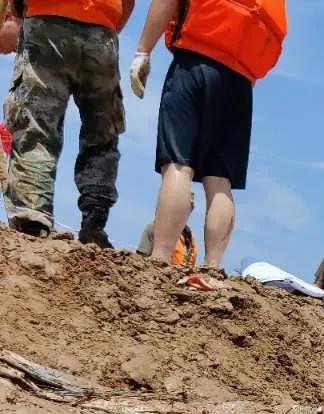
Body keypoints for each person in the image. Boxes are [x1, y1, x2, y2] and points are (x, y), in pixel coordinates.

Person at [129, 0, 287, 269]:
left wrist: (143, 50)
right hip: (240, 82)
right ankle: (212, 266)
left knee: (178, 164)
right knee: (219, 179)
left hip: (195, 62)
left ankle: (160, 258)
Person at [4, 0, 133, 245]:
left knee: (36, 125)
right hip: (102, 27)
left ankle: (32, 218)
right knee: (101, 133)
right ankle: (94, 222)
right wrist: (106, 27)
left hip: (47, 19)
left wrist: (20, 11)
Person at [137, 193, 197, 267]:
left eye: (188, 207)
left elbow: (191, 266)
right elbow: (140, 261)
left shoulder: (189, 236)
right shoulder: (154, 227)